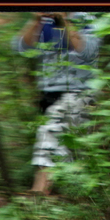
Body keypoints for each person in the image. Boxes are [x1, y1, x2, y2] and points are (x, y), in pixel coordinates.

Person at [13, 12, 100, 194]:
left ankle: (39, 195)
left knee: (48, 136)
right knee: (66, 151)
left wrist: (64, 20)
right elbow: (21, 47)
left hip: (79, 92)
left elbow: (89, 51)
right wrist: (36, 20)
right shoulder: (44, 23)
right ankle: (71, 201)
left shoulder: (85, 18)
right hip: (49, 94)